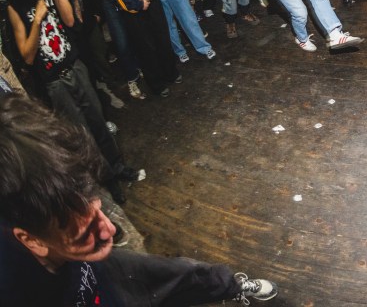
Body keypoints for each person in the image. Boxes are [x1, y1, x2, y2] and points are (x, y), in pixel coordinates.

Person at [0, 94, 278, 305]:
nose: (110, 230)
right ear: (32, 241)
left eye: (97, 211)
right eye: (84, 234)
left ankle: (232, 287)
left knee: (180, 273)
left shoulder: (37, 194)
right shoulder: (15, 289)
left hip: (103, 273)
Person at [5, 0, 137, 203]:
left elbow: (68, 19)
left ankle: (118, 167)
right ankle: (107, 182)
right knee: (82, 135)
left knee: (99, 122)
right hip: (54, 82)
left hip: (75, 67)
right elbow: (27, 57)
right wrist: (37, 20)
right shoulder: (14, 4)